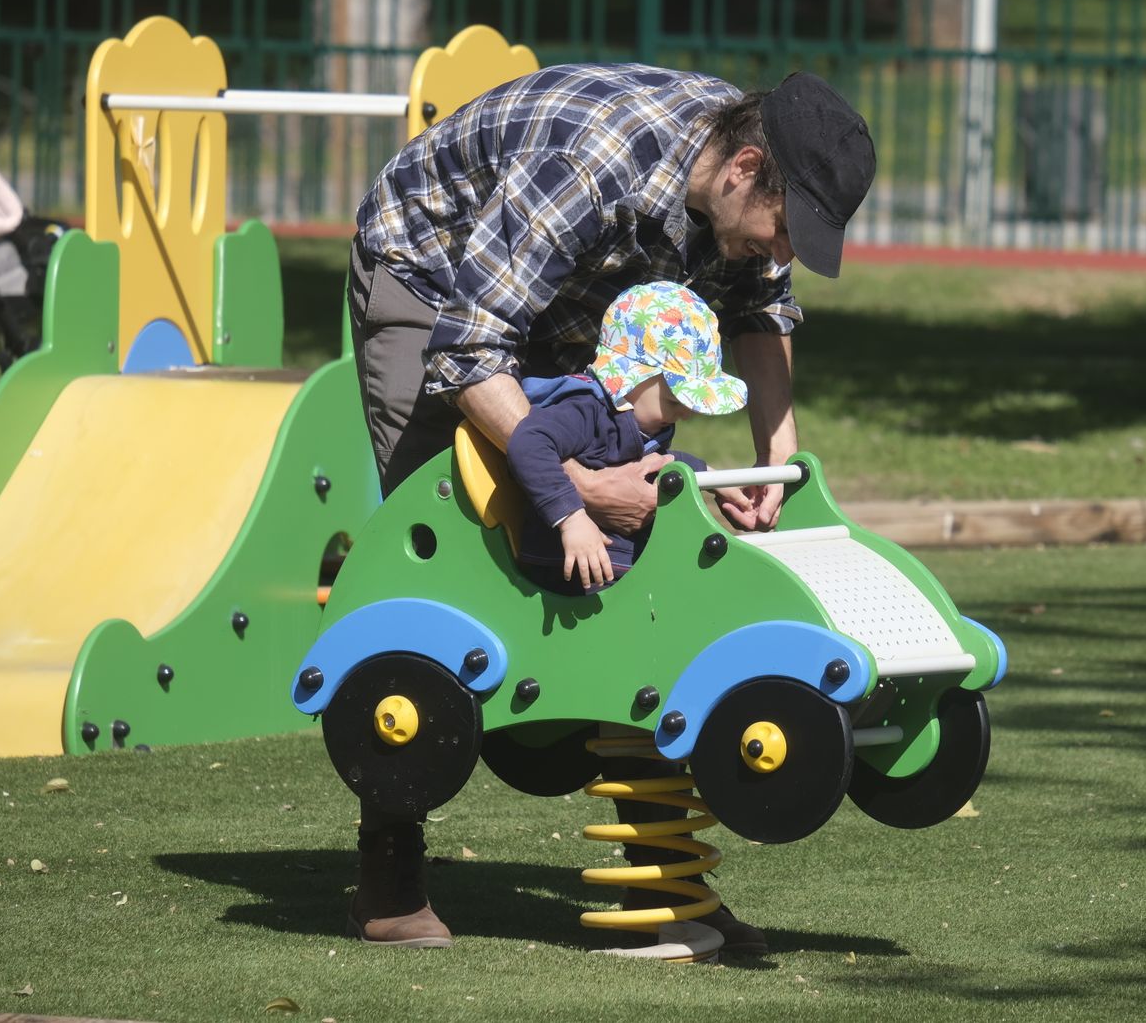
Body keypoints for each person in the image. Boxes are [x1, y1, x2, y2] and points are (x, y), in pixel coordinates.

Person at [344, 60, 875, 952]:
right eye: (786, 228)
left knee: (645, 575)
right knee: (435, 563)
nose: (784, 252)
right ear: (745, 170)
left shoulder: (735, 189)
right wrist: (581, 490)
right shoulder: (591, 163)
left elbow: (761, 311)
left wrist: (773, 463)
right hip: (434, 280)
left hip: (576, 301)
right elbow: (469, 349)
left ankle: (665, 889)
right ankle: (387, 874)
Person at [508, 281, 747, 596]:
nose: (686, 414)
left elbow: (657, 463)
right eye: (675, 401)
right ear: (630, 377)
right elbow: (529, 441)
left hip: (622, 571)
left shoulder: (642, 421)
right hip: (573, 570)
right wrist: (571, 518)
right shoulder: (586, 410)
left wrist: (713, 479)